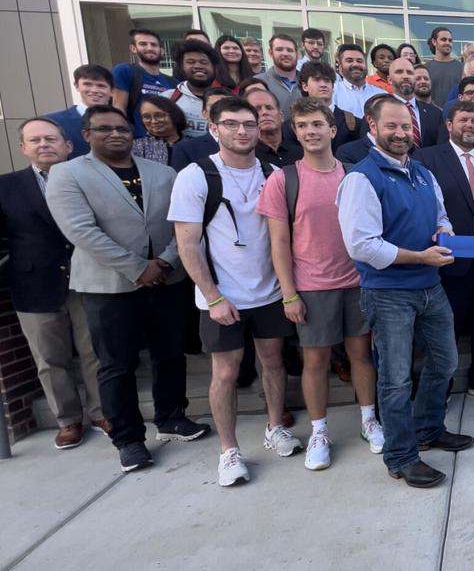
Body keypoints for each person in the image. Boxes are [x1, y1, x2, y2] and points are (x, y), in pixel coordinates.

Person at [47, 106, 209, 472]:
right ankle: (129, 439)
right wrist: (138, 268)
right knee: (116, 363)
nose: (115, 134)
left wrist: (165, 261)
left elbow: (182, 223)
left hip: (166, 278)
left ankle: (172, 417)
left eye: (122, 128)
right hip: (109, 286)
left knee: (170, 353)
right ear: (86, 135)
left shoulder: (162, 172)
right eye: (104, 129)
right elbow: (81, 231)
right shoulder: (67, 174)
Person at [336, 96, 474, 488]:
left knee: (445, 362)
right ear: (372, 126)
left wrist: (444, 231)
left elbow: (441, 215)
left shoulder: (422, 173)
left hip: (430, 287)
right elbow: (362, 246)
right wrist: (420, 257)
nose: (400, 134)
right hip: (388, 293)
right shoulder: (362, 178)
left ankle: (428, 429)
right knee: (395, 380)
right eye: (391, 126)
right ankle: (401, 456)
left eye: (405, 126)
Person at [170, 97, 298, 486]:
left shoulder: (273, 173)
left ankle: (275, 427)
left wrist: (287, 289)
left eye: (249, 124)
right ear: (213, 128)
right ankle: (229, 450)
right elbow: (187, 244)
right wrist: (213, 297)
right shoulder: (196, 176)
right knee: (225, 371)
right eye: (231, 124)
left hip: (270, 291)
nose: (241, 131)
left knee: (273, 362)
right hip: (222, 295)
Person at [255, 97, 381, 469]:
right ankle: (319, 431)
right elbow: (278, 243)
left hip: (357, 280)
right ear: (295, 132)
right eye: (302, 125)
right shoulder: (284, 179)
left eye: (317, 124)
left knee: (361, 354)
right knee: (316, 360)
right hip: (312, 284)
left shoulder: (354, 175)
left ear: (332, 129)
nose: (310, 131)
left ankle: (369, 420)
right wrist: (289, 294)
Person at [1, 118, 107, 449]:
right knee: (49, 358)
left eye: (51, 138)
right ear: (23, 148)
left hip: (87, 277)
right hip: (34, 282)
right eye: (35, 140)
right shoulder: (6, 187)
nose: (43, 144)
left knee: (95, 350)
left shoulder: (89, 178)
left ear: (68, 145)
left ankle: (102, 411)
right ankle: (68, 420)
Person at [414, 101, 474, 403]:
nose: (470, 125)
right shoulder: (427, 158)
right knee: (446, 328)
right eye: (464, 120)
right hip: (449, 261)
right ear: (449, 125)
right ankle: (440, 387)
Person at [113, 29, 176, 137]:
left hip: (166, 141)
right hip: (137, 140)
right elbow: (118, 109)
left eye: (154, 45)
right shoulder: (125, 71)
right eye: (143, 44)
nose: (149, 48)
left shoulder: (173, 82)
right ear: (133, 48)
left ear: (162, 50)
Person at [44, 64, 114, 157]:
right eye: (87, 84)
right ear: (77, 86)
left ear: (112, 91)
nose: (94, 90)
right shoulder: (52, 122)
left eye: (101, 86)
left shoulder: (124, 122)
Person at [297, 61, 365, 152]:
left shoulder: (353, 123)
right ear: (305, 86)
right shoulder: (293, 124)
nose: (323, 85)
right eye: (317, 80)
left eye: (327, 80)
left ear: (333, 86)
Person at [164, 40, 219, 138]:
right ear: (181, 67)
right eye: (191, 62)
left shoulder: (226, 99)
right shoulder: (167, 98)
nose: (198, 66)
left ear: (214, 67)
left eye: (204, 62)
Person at [389, 58, 443, 148]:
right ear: (389, 79)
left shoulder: (435, 113)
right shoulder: (378, 110)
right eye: (399, 72)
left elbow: (442, 148)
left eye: (410, 72)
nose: (405, 76)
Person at [255, 34, 303, 120]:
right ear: (270, 53)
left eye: (290, 50)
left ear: (296, 54)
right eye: (279, 49)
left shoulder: (307, 81)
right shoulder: (258, 82)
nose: (285, 53)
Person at [332, 44, 387, 119]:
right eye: (349, 61)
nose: (355, 64)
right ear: (340, 66)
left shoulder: (381, 94)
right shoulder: (333, 93)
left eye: (359, 61)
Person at [133, 95, 186, 166]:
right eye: (147, 117)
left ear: (174, 115)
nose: (154, 121)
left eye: (159, 115)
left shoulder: (192, 145)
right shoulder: (136, 147)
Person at [424, 28, 464, 107]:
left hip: (456, 112)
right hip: (432, 112)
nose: (447, 43)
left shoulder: (462, 68)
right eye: (443, 39)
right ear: (434, 41)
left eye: (450, 40)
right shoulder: (425, 69)